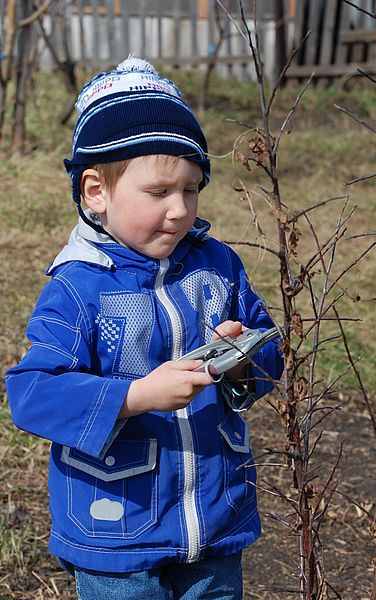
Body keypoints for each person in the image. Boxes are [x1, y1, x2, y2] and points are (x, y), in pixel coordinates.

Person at [5, 57, 284, 600]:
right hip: (116, 529)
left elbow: (267, 347)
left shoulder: (216, 267)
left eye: (192, 188)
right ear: (95, 192)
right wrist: (135, 395)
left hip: (215, 519)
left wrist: (245, 358)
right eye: (159, 192)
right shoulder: (78, 289)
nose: (180, 210)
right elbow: (32, 393)